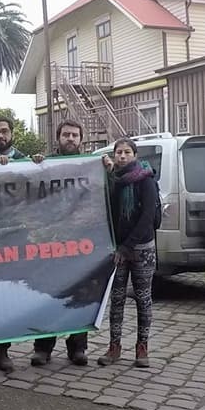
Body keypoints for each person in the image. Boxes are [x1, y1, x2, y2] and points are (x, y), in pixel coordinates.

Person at [30, 120, 91, 367]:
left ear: (81, 139)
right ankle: (43, 347)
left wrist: (108, 167)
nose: (70, 138)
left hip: (82, 243)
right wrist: (34, 165)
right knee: (50, 295)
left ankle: (78, 347)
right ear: (58, 138)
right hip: (51, 243)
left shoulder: (91, 165)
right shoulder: (45, 165)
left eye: (75, 135)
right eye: (66, 134)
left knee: (82, 295)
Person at [98, 138, 157, 368]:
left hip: (142, 249)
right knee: (117, 299)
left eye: (126, 152)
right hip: (118, 250)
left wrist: (127, 246)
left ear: (135, 155)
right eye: (118, 152)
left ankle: (142, 348)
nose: (122, 156)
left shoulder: (145, 179)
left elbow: (147, 218)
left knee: (143, 299)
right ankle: (114, 347)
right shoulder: (114, 179)